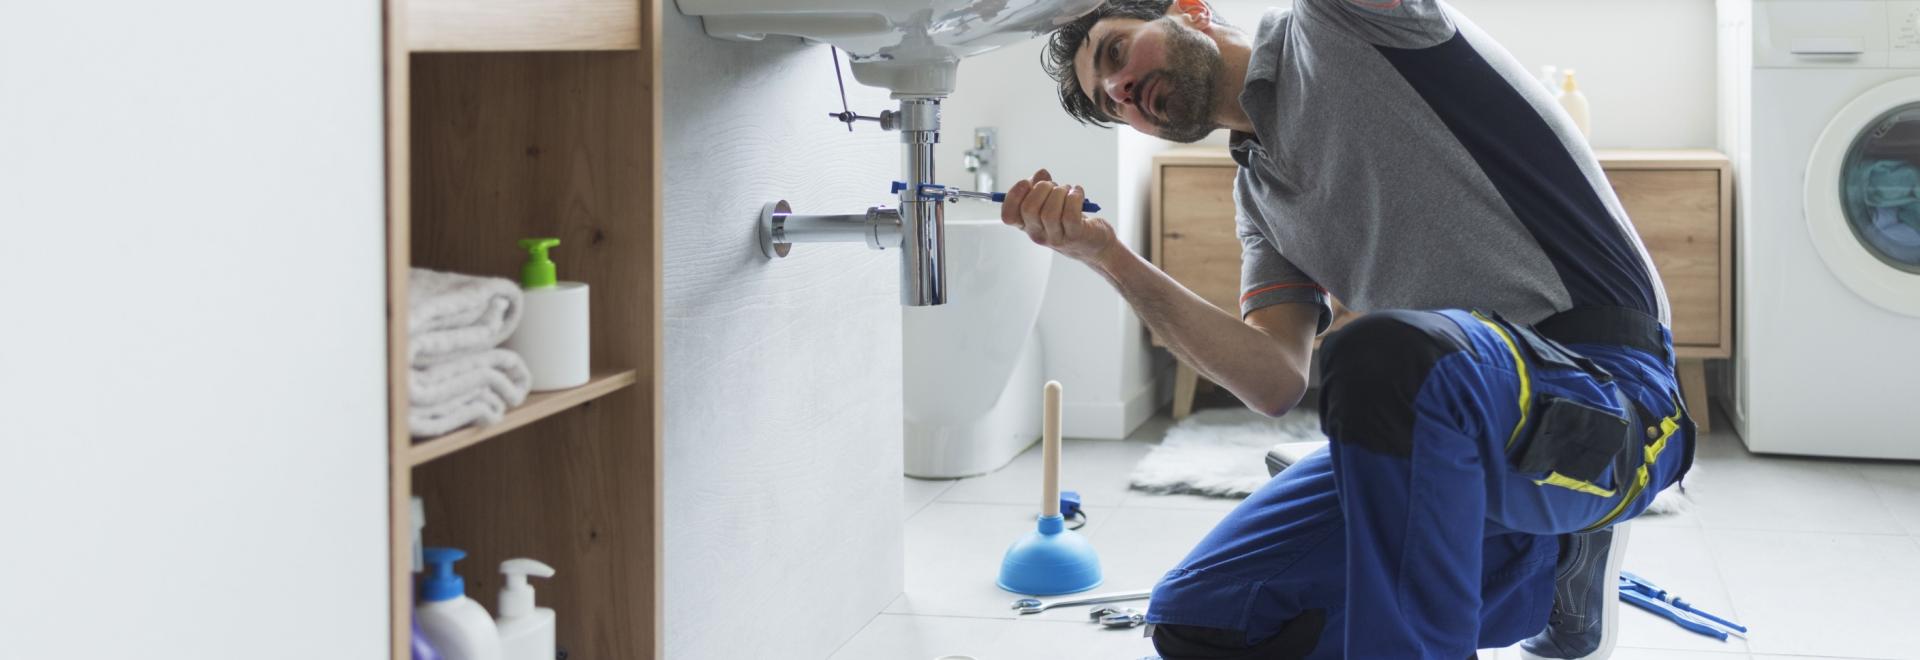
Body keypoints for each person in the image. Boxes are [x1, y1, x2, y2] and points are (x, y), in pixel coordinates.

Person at [1000, 0, 1696, 658]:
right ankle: (1552, 567)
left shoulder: (1339, 22)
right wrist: (1106, 255)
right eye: (1107, 100)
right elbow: (1274, 379)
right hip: (1451, 410)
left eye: (1116, 51)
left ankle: (1550, 542)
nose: (1121, 87)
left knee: (1387, 357)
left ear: (1189, 9)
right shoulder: (1262, 199)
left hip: (1607, 392)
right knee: (1203, 621)